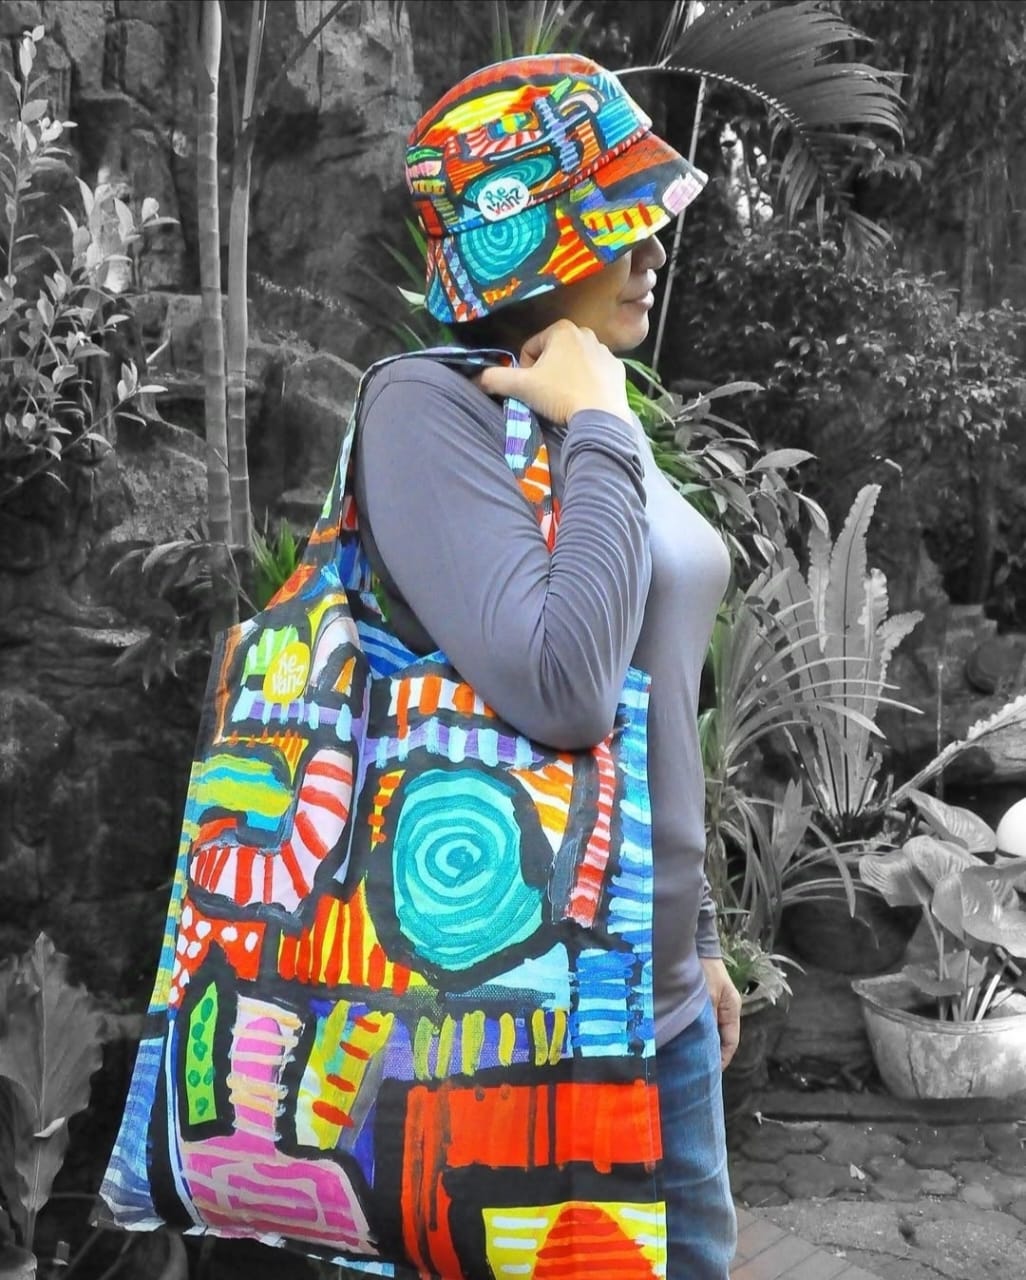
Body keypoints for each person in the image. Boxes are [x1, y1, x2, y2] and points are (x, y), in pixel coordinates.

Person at [355, 53, 739, 1279]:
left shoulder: (584, 410)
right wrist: (606, 427)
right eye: (621, 221)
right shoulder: (431, 411)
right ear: (531, 240)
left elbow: (655, 689)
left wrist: (702, 931)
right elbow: (566, 688)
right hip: (526, 1028)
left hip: (660, 1003)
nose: (654, 249)